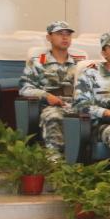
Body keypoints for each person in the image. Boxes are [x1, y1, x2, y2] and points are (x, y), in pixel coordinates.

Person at [19, 21, 86, 157]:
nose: (65, 37)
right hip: (50, 106)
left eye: (68, 34)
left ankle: (83, 161)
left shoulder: (80, 64)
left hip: (76, 105)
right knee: (53, 116)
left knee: (93, 116)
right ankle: (55, 161)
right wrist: (46, 96)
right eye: (59, 34)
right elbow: (25, 88)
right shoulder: (38, 61)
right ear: (49, 37)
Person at [72, 32, 110, 157]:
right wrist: (106, 112)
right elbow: (79, 105)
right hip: (100, 124)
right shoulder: (90, 74)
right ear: (104, 53)